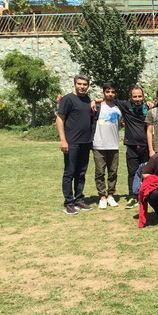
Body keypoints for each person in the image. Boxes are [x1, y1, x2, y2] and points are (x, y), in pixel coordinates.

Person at [56, 74, 94, 215]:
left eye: (85, 84)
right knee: (69, 173)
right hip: (72, 142)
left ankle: (79, 200)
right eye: (80, 84)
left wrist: (95, 100)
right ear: (74, 84)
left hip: (85, 142)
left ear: (88, 86)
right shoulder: (68, 99)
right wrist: (63, 140)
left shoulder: (87, 99)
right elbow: (60, 119)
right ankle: (69, 203)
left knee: (81, 173)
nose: (82, 87)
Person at [114, 86, 151, 208]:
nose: (137, 99)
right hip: (131, 145)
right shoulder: (126, 106)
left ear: (143, 96)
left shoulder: (148, 108)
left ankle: (145, 194)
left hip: (146, 146)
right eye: (135, 96)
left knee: (146, 172)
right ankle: (133, 196)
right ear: (131, 97)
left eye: (139, 96)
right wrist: (94, 101)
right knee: (132, 172)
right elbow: (109, 99)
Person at [92, 83, 122, 209]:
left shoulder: (118, 108)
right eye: (108, 91)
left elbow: (119, 124)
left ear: (115, 93)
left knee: (113, 172)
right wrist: (94, 101)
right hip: (99, 144)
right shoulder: (97, 107)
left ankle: (110, 195)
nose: (110, 94)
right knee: (100, 172)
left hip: (113, 145)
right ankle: (102, 197)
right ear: (103, 93)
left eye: (113, 92)